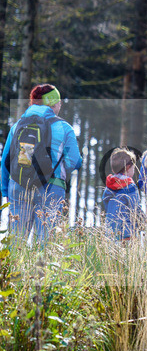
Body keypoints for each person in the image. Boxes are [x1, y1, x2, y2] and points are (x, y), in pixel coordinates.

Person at [1, 84, 82, 243]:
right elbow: (74, 161)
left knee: (16, 242)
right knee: (45, 244)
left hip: (18, 185)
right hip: (51, 187)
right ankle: (41, 268)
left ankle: (13, 267)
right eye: (59, 102)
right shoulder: (64, 128)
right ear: (52, 104)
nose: (60, 105)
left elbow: (5, 161)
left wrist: (5, 191)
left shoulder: (17, 126)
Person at [102, 148, 141, 241]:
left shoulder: (108, 187)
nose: (134, 171)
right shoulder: (130, 187)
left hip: (110, 231)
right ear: (128, 167)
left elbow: (106, 205)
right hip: (127, 232)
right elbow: (135, 208)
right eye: (133, 168)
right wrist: (143, 221)